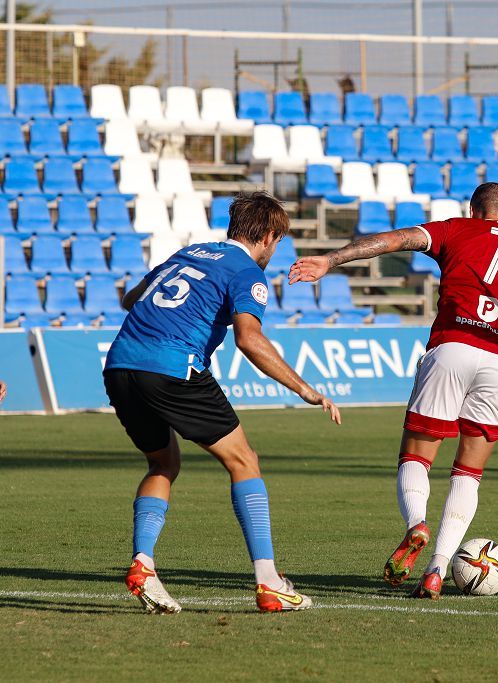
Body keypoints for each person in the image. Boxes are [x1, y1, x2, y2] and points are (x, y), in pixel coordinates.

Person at [290, 182, 498, 599]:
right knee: (469, 472)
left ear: (473, 211)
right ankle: (437, 570)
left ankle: (417, 524)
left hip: (452, 346)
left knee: (416, 455)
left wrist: (331, 259)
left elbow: (394, 240)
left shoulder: (454, 229)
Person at [104, 191, 340, 614]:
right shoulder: (246, 271)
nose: (275, 250)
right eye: (278, 241)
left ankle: (143, 564)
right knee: (244, 461)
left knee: (163, 464)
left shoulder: (188, 252)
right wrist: (305, 389)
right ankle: (269, 582)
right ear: (268, 236)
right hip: (174, 367)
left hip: (120, 365)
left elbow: (130, 300)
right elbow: (249, 339)